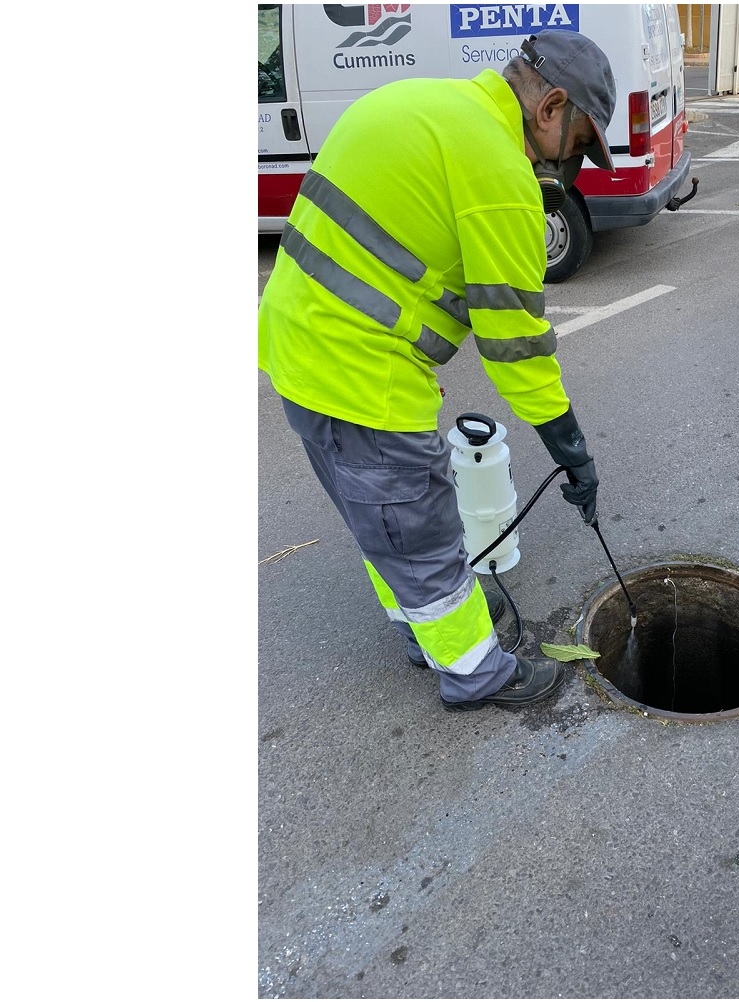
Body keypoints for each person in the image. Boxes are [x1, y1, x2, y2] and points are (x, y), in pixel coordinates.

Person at [257, 30, 616, 712]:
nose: (569, 166)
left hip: (293, 352)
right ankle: (475, 670)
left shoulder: (418, 102)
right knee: (420, 534)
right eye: (576, 145)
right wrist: (573, 452)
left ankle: (425, 630)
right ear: (551, 107)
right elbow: (516, 347)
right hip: (364, 381)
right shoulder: (500, 173)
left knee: (382, 524)